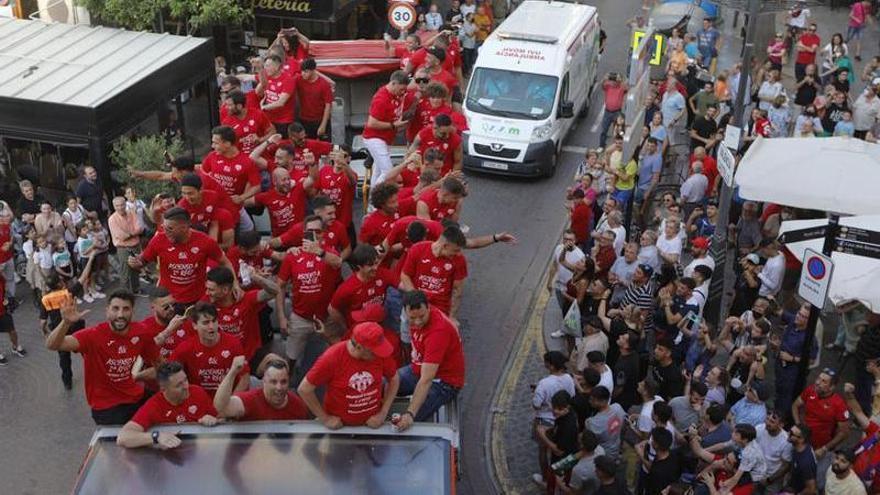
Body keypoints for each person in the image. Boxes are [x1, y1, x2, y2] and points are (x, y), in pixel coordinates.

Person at [45, 291, 159, 424]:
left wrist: (162, 382)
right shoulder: (92, 336)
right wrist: (65, 323)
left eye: (126, 309)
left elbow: (159, 364)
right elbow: (51, 345)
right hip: (107, 407)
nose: (120, 315)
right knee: (128, 440)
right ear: (107, 311)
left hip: (135, 395)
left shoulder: (142, 333)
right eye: (115, 308)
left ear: (132, 312)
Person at [298, 322, 400, 428]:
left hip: (372, 426)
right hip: (340, 428)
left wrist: (383, 412)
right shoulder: (332, 357)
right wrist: (325, 419)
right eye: (373, 352)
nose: (378, 354)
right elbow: (304, 389)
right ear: (359, 347)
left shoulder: (379, 354)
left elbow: (394, 378)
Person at [129, 208, 235, 307]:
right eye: (163, 227)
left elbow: (225, 262)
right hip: (167, 300)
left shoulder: (205, 242)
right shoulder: (159, 240)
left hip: (196, 299)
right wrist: (135, 262)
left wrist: (235, 285)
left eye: (170, 228)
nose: (165, 232)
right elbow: (143, 260)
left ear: (184, 227)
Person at [395, 291, 465, 430]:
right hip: (419, 367)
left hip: (443, 382)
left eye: (422, 316)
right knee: (386, 383)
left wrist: (410, 414)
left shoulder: (438, 332)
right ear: (405, 312)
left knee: (411, 420)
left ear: (428, 307)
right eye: (412, 318)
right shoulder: (415, 317)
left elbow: (427, 379)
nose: (418, 322)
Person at [116, 361, 219, 449]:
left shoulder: (197, 392)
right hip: (168, 456)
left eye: (185, 380)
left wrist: (211, 420)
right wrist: (156, 436)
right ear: (163, 389)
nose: (186, 386)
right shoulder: (154, 405)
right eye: (179, 385)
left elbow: (220, 419)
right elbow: (123, 437)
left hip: (197, 451)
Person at [204, 265, 280, 371]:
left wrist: (255, 277)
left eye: (211, 290)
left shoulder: (246, 300)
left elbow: (275, 291)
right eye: (207, 289)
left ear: (225, 290)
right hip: (222, 359)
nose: (207, 293)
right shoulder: (206, 304)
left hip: (250, 356)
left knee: (278, 364)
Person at [169, 302, 248, 397]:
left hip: (228, 400)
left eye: (214, 321)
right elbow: (169, 376)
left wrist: (231, 402)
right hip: (199, 403)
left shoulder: (233, 343)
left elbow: (245, 377)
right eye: (206, 323)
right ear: (194, 325)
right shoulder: (185, 348)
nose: (212, 327)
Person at [793, 368, 851, 489]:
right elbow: (795, 405)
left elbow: (844, 432)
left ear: (832, 387)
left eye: (824, 381)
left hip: (821, 450)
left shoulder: (839, 405)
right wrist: (798, 427)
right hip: (802, 443)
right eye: (818, 378)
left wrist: (825, 449)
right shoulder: (810, 391)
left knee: (816, 482)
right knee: (795, 471)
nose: (818, 382)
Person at [199, 126, 261, 231]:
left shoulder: (247, 162)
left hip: (233, 207)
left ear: (227, 144)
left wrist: (242, 197)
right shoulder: (212, 156)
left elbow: (257, 186)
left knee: (248, 229)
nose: (212, 146)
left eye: (216, 143)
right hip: (213, 206)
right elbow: (202, 173)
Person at [214, 356, 308, 420]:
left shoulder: (298, 406)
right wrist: (233, 372)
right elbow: (221, 408)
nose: (279, 388)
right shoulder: (251, 400)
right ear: (264, 381)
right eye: (273, 382)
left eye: (283, 382)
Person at [533, 350, 576, 484]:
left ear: (551, 366)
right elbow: (572, 396)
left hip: (544, 420)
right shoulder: (568, 378)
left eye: (546, 362)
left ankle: (546, 478)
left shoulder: (544, 383)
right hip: (559, 421)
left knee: (543, 450)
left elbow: (536, 404)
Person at [363, 71, 411, 187]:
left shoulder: (396, 94)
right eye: (401, 89)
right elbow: (371, 123)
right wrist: (393, 125)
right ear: (393, 83)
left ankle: (372, 201)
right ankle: (377, 197)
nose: (403, 92)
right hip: (374, 138)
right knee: (389, 172)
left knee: (378, 171)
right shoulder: (381, 99)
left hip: (385, 139)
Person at [107, 196, 143, 294]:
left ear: (125, 204)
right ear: (114, 207)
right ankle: (125, 294)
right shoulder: (112, 219)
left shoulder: (131, 213)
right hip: (123, 248)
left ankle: (136, 289)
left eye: (122, 204)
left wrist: (129, 234)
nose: (120, 207)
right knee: (125, 272)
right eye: (117, 206)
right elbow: (121, 236)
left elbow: (140, 228)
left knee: (136, 269)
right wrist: (133, 233)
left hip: (135, 245)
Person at [220, 90, 274, 155]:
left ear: (239, 106)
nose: (226, 108)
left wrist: (260, 140)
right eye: (226, 105)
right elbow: (225, 144)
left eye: (229, 105)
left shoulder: (258, 114)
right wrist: (241, 141)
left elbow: (272, 132)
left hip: (260, 155)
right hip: (240, 158)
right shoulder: (226, 122)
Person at [258, 54, 297, 135]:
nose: (266, 68)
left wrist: (263, 108)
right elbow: (258, 91)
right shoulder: (267, 76)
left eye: (268, 66)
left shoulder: (288, 80)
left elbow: (281, 102)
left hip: (283, 121)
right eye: (265, 66)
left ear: (277, 67)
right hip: (268, 119)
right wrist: (260, 68)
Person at [756, 410, 793, 493]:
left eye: (772, 422)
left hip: (773, 478)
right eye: (767, 419)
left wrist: (769, 480)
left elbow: (785, 466)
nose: (767, 423)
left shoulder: (786, 441)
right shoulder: (759, 429)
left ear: (781, 425)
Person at [297, 58, 334, 139]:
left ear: (313, 70)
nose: (303, 74)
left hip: (320, 120)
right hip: (304, 120)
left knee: (327, 146)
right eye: (302, 71)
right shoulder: (299, 79)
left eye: (306, 71)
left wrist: (323, 125)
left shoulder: (324, 84)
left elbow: (328, 106)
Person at [638, 427, 681, 495]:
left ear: (656, 445)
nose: (651, 441)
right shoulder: (673, 455)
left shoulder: (657, 472)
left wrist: (641, 454)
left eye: (653, 439)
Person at [560, 429, 606, 495]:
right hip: (597, 488)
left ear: (582, 445)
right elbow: (580, 454)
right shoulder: (600, 450)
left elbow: (573, 493)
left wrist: (560, 483)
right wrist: (563, 464)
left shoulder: (579, 470)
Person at [587, 386, 626, 460]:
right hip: (616, 447)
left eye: (593, 400)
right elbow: (623, 425)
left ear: (603, 401)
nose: (590, 401)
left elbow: (590, 442)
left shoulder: (593, 422)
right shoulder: (618, 407)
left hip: (602, 454)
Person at [785, 423, 819, 494]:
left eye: (791, 433)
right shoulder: (798, 447)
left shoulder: (806, 462)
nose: (788, 434)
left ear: (801, 439)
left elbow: (811, 489)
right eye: (789, 431)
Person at [599, 72, 628, 147]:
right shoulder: (608, 86)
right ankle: (602, 145)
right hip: (607, 112)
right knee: (604, 130)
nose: (614, 81)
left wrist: (620, 80)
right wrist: (605, 78)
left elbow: (626, 88)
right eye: (613, 80)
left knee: (620, 130)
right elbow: (602, 85)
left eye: (616, 80)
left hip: (617, 112)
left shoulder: (621, 87)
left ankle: (618, 144)